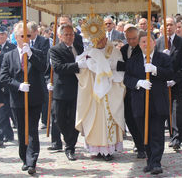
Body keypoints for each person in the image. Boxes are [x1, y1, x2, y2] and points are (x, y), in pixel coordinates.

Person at [75, 13, 125, 161]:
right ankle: (96, 149)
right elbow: (81, 69)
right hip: (93, 94)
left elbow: (121, 69)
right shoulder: (89, 53)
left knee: (109, 120)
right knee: (95, 121)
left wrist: (110, 71)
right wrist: (86, 66)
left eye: (102, 37)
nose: (101, 41)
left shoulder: (114, 51)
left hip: (111, 92)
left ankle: (108, 150)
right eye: (97, 39)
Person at [0, 22, 47, 175]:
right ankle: (24, 158)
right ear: (15, 37)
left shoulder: (37, 52)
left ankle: (32, 160)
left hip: (34, 98)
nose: (25, 38)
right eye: (22, 36)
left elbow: (43, 68)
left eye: (28, 35)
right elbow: (4, 76)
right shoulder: (8, 56)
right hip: (18, 98)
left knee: (32, 129)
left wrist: (31, 56)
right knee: (21, 130)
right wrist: (18, 85)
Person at [124, 30, 174, 175]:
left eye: (148, 41)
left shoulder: (163, 58)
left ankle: (156, 162)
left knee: (156, 133)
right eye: (143, 42)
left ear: (154, 42)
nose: (146, 44)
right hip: (140, 103)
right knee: (144, 134)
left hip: (158, 102)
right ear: (139, 44)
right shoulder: (133, 61)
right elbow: (127, 79)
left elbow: (170, 73)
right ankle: (150, 160)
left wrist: (155, 70)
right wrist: (138, 83)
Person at [49, 24, 84, 161]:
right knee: (60, 118)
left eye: (72, 35)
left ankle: (70, 146)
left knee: (74, 120)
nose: (70, 37)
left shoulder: (79, 48)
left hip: (77, 89)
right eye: (67, 35)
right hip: (62, 90)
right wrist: (77, 66)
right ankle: (67, 139)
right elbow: (58, 67)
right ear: (60, 36)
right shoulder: (55, 50)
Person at [155, 17, 182, 150]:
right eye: (166, 25)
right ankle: (165, 134)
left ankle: (176, 138)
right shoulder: (158, 42)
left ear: (175, 26)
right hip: (162, 83)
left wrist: (174, 79)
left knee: (176, 110)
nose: (168, 28)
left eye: (170, 25)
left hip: (177, 82)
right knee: (163, 110)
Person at [116, 26, 146, 158]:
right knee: (129, 118)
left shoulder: (143, 49)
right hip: (126, 89)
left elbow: (136, 67)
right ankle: (138, 144)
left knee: (140, 119)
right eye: (128, 39)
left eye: (134, 38)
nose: (131, 41)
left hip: (139, 90)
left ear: (138, 37)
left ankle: (144, 146)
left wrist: (120, 66)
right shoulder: (123, 49)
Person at [27, 21, 50, 130]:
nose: (28, 35)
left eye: (30, 33)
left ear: (36, 31)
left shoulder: (43, 41)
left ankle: (45, 120)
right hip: (29, 73)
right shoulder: (24, 40)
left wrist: (31, 50)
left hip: (41, 72)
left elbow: (44, 56)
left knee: (44, 97)